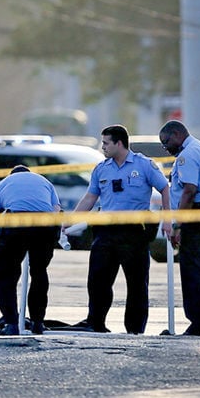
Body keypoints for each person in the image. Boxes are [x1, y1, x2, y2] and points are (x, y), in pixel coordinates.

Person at [66, 124, 171, 334]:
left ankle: (134, 329)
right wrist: (70, 221)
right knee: (98, 280)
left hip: (133, 232)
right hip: (106, 231)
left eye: (106, 143)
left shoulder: (144, 165)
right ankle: (96, 323)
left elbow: (165, 188)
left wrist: (167, 219)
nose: (102, 147)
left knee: (137, 284)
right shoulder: (101, 168)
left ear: (119, 143)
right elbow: (90, 197)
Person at [159, 119, 200, 336]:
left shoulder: (188, 155)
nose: (166, 148)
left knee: (194, 272)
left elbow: (189, 191)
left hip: (197, 217)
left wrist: (178, 225)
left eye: (166, 142)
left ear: (177, 134)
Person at [0, 165, 61, 336]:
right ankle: (38, 322)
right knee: (39, 272)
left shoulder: (2, 184)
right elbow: (57, 210)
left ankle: (11, 323)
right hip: (45, 225)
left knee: (5, 274)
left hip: (17, 222)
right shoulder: (45, 181)